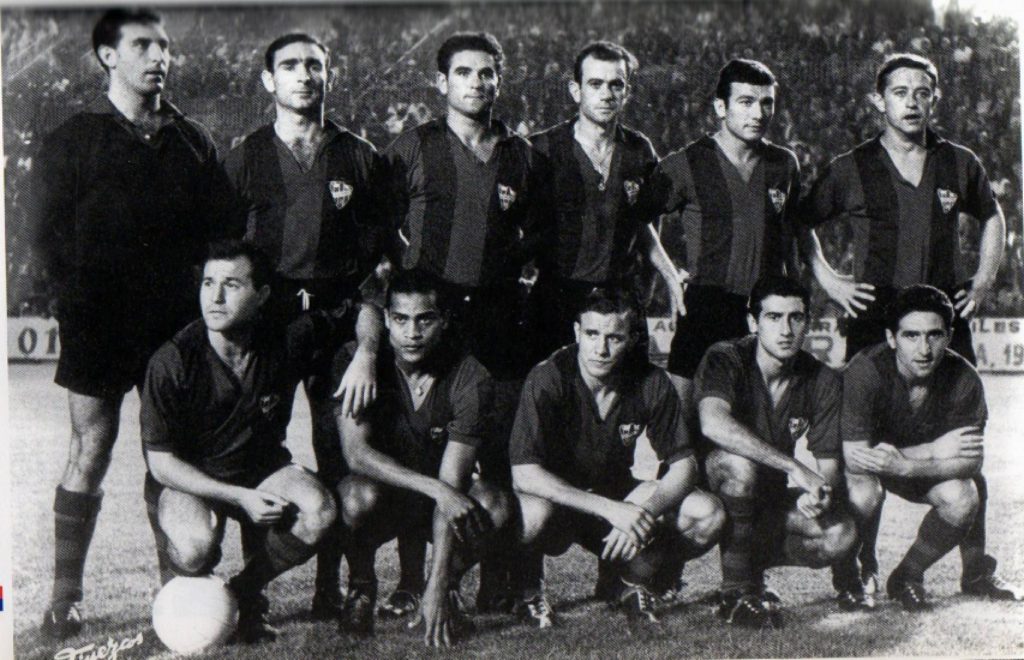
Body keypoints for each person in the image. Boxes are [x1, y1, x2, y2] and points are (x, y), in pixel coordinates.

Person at [30, 8, 236, 638]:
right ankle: (65, 596)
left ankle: (176, 587)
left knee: (171, 456)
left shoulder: (193, 141)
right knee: (89, 449)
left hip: (175, 330)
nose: (159, 57)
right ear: (107, 56)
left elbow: (220, 236)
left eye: (165, 46)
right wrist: (73, 302)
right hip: (98, 324)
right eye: (143, 45)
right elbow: (42, 236)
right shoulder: (74, 139)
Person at [802, 53, 1018, 601]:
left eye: (923, 92)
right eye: (900, 92)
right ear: (879, 100)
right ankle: (859, 567)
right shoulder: (851, 167)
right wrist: (829, 280)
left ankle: (976, 569)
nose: (912, 102)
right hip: (875, 319)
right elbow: (800, 222)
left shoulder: (958, 162)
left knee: (964, 440)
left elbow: (993, 216)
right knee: (861, 450)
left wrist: (983, 280)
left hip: (942, 318)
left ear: (934, 99)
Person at [382, 31, 550, 618]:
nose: (476, 83)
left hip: (500, 319)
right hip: (434, 317)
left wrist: (511, 274)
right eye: (463, 72)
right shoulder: (411, 148)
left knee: (500, 447)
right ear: (441, 81)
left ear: (499, 80)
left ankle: (497, 578)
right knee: (423, 447)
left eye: (486, 73)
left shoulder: (522, 156)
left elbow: (539, 235)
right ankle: (412, 580)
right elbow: (380, 225)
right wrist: (409, 277)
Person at [223, 32, 388, 620]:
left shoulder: (360, 157)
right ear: (269, 80)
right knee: (258, 453)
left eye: (314, 66)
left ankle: (339, 587)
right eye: (290, 66)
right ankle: (253, 594)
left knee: (341, 452)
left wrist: (367, 347)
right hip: (268, 328)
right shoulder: (244, 158)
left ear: (329, 76)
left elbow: (379, 264)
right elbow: (223, 257)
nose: (304, 75)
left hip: (338, 327)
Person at [141, 240, 340, 642]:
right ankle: (179, 590)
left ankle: (242, 593)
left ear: (261, 295)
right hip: (191, 479)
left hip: (260, 469)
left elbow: (360, 311)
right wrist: (239, 497)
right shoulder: (173, 360)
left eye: (231, 285)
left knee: (320, 510)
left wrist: (366, 356)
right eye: (208, 283)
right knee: (195, 549)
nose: (214, 297)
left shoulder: (286, 337)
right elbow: (161, 464)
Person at [508, 287, 725, 627]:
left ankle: (629, 581)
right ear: (577, 332)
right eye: (592, 334)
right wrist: (612, 510)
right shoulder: (549, 377)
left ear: (633, 338)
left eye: (614, 338)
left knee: (707, 513)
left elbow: (685, 466)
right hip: (559, 503)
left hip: (614, 495)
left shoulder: (650, 380)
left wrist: (643, 512)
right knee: (530, 512)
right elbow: (524, 474)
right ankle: (528, 591)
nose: (601, 349)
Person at [333, 269, 509, 647]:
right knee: (352, 495)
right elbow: (356, 455)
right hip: (387, 497)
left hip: (439, 497)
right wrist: (436, 489)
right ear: (386, 320)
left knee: (493, 504)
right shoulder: (357, 362)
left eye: (425, 319)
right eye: (401, 319)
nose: (412, 332)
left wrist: (438, 581)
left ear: (444, 320)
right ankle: (362, 586)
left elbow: (453, 481)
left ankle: (447, 587)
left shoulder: (470, 376)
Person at [842, 285, 1020, 610]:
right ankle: (859, 572)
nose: (924, 349)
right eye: (911, 336)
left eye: (934, 335)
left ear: (949, 336)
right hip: (870, 472)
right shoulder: (866, 370)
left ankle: (912, 574)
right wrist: (935, 449)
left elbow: (971, 462)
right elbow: (855, 458)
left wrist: (907, 465)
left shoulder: (964, 378)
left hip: (908, 467)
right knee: (863, 491)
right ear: (891, 337)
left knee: (965, 494)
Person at [634, 59, 801, 405]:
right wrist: (669, 275)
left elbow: (790, 235)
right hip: (706, 306)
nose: (758, 113)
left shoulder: (784, 164)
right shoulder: (685, 163)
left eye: (766, 103)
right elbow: (637, 218)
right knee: (682, 420)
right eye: (746, 102)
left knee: (760, 420)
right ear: (721, 107)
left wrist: (798, 295)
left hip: (766, 310)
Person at [695, 275, 857, 627]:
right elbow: (713, 423)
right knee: (739, 468)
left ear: (807, 323)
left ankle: (748, 569)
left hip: (764, 500)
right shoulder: (726, 357)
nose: (785, 330)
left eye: (795, 318)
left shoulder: (823, 379)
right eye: (773, 317)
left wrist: (819, 495)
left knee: (840, 534)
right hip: (707, 502)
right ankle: (737, 592)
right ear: (753, 322)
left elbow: (829, 466)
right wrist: (794, 468)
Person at [528, 41, 683, 362]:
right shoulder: (542, 149)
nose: (606, 94)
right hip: (556, 301)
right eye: (595, 84)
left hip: (618, 301)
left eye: (616, 85)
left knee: (628, 390)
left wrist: (668, 275)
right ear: (576, 90)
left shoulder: (639, 150)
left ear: (627, 93)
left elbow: (644, 224)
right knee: (552, 389)